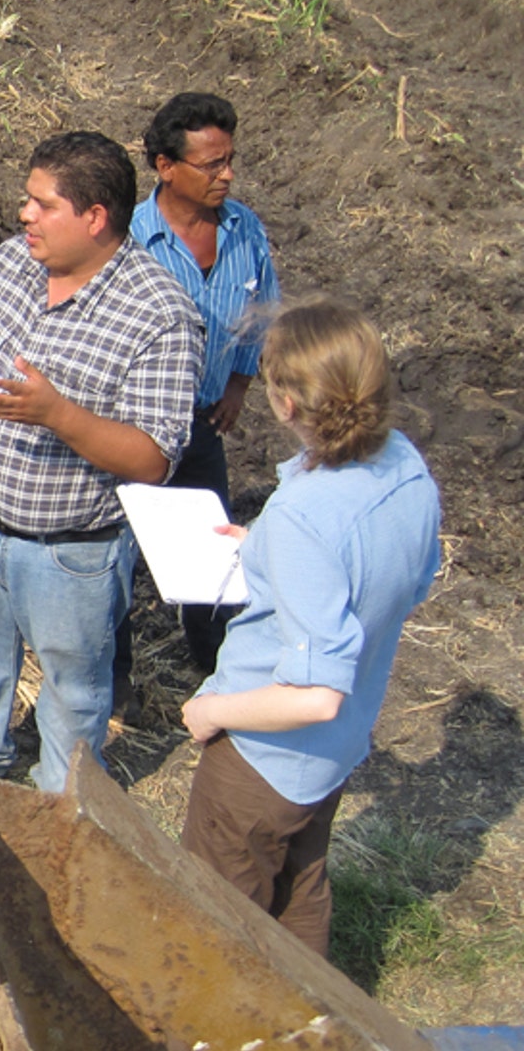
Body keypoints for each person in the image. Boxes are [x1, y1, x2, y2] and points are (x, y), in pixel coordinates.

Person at [0, 132, 201, 793]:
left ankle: (64, 803)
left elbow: (155, 458)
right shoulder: (7, 264)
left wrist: (59, 415)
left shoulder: (160, 316)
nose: (25, 215)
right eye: (28, 199)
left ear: (95, 217)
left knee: (74, 690)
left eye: (43, 204)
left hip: (70, 554)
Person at [179, 296, 440, 957]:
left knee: (215, 923)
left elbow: (312, 692)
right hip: (337, 746)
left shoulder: (305, 514)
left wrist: (212, 709)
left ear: (286, 403)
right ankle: (312, 1021)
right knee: (301, 887)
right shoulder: (404, 463)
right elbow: (403, 578)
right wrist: (260, 546)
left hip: (263, 760)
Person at [113, 92, 284, 719]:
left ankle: (218, 669)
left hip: (203, 422)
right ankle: (115, 680)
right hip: (129, 428)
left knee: (211, 557)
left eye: (229, 160)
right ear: (165, 166)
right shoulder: (126, 239)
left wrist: (239, 382)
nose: (226, 175)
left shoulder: (245, 229)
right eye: (211, 164)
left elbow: (262, 309)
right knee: (117, 558)